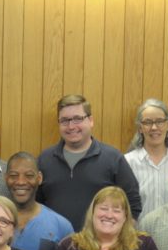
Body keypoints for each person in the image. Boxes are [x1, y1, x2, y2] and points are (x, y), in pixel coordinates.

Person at [37, 94, 142, 229]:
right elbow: (36, 206)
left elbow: (133, 205)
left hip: (100, 247)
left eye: (77, 119)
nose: (71, 126)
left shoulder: (113, 158)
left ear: (91, 120)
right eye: (64, 120)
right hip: (55, 247)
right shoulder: (44, 160)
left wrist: (114, 241)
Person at [124, 98, 168, 218]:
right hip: (137, 235)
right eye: (147, 122)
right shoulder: (126, 163)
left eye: (159, 121)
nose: (154, 128)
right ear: (140, 128)